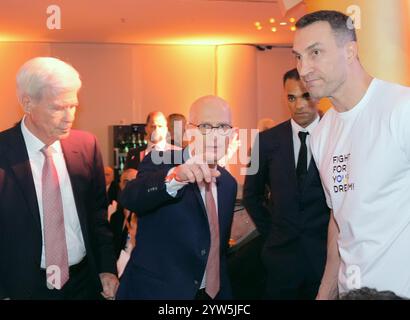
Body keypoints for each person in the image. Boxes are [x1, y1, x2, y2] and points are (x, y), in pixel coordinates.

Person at [293, 10, 410, 299]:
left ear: (350, 50)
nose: (304, 68)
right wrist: (325, 291)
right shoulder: (322, 133)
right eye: (298, 56)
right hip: (350, 292)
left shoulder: (401, 109)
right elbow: (339, 218)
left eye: (315, 52)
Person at [0, 57, 118, 300]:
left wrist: (107, 268)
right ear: (28, 103)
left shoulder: (86, 146)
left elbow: (97, 216)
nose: (69, 117)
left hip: (83, 283)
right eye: (57, 108)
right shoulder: (3, 152)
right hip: (23, 288)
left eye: (73, 105)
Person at [116, 95, 238, 300]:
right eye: (206, 126)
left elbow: (218, 250)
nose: (215, 136)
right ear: (190, 130)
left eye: (223, 127)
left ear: (232, 133)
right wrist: (175, 178)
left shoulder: (228, 184)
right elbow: (131, 197)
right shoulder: (160, 160)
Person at [243, 68, 330, 299]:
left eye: (305, 96)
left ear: (317, 94)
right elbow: (251, 194)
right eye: (291, 97)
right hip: (280, 258)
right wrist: (272, 231)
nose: (299, 105)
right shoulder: (264, 140)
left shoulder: (337, 136)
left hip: (324, 259)